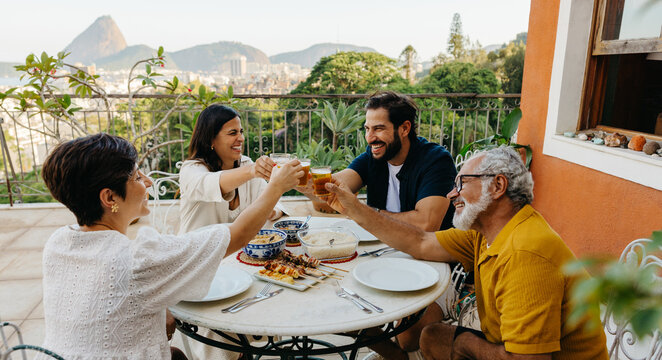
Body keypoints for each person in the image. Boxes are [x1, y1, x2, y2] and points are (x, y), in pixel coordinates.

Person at [323, 146, 609, 360]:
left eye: (461, 183)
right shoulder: (484, 231)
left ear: (497, 186)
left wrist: (464, 343)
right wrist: (353, 207)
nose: (451, 194)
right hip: (505, 342)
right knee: (433, 337)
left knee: (442, 337)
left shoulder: (526, 253)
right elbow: (420, 242)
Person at [39, 133, 302, 359]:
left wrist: (157, 309)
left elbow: (108, 300)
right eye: (136, 177)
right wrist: (276, 187)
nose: (148, 182)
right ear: (109, 197)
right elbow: (239, 234)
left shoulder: (58, 243)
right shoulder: (140, 259)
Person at [332, 91, 457, 232]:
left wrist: (366, 213)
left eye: (378, 129)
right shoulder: (374, 156)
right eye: (367, 129)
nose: (370, 138)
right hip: (381, 246)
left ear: (404, 129)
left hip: (428, 251)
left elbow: (426, 224)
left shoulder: (436, 160)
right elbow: (331, 188)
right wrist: (304, 180)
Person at [179, 104, 286, 234]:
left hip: (236, 253)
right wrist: (253, 170)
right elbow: (210, 183)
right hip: (197, 252)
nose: (241, 138)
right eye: (232, 133)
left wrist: (271, 211)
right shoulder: (191, 169)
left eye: (241, 132)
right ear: (211, 139)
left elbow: (276, 204)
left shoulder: (246, 164)